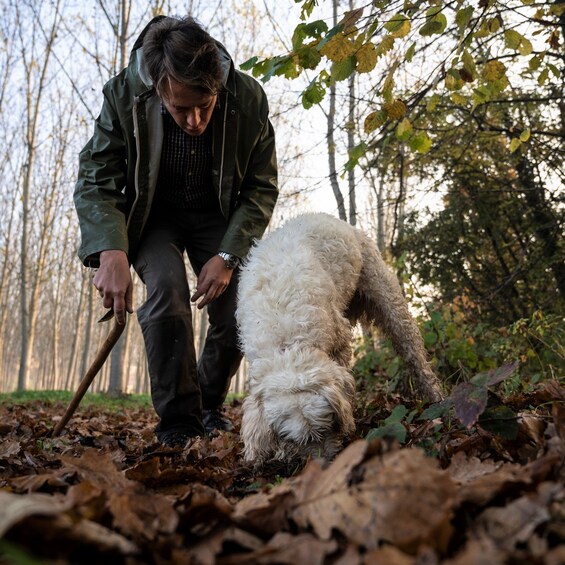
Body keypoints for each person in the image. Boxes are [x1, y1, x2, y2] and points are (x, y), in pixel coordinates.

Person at [73, 15, 278, 446]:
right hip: (153, 216)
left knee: (238, 304)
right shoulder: (124, 93)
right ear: (158, 86)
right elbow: (97, 175)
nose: (196, 120)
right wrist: (110, 249)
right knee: (167, 291)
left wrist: (227, 256)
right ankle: (179, 424)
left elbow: (261, 186)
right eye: (181, 108)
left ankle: (207, 404)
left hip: (218, 214)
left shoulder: (247, 97)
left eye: (206, 105)